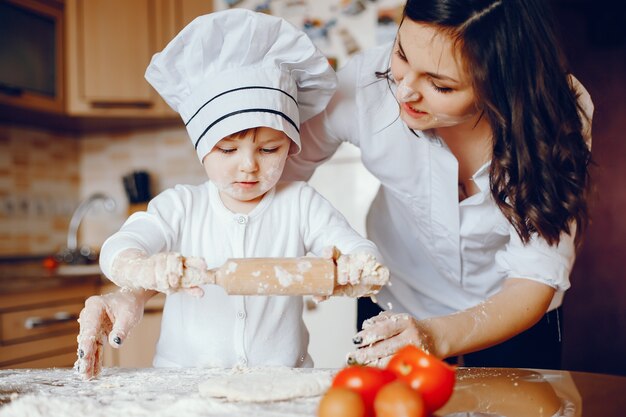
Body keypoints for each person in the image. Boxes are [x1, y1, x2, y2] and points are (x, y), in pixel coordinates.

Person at [74, 9, 389, 380]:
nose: (249, 167)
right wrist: (145, 267)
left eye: (269, 150)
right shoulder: (181, 206)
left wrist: (351, 267)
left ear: (291, 147)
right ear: (202, 147)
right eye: (227, 150)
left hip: (282, 380)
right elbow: (119, 247)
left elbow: (365, 254)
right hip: (184, 384)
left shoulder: (301, 203)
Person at [282, 0, 593, 369]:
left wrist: (436, 335)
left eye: (440, 85)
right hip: (395, 302)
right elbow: (283, 169)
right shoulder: (367, 85)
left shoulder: (557, 116)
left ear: (502, 84)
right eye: (402, 53)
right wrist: (309, 243)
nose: (405, 91)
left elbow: (534, 275)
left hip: (512, 312)